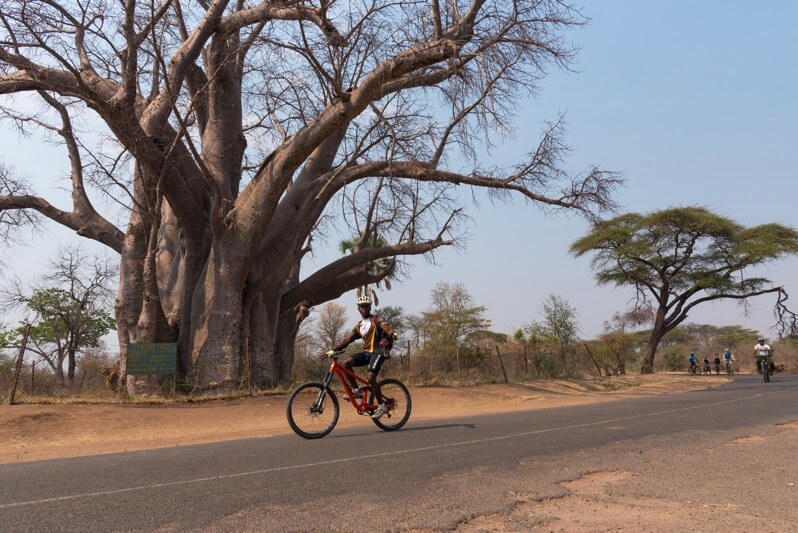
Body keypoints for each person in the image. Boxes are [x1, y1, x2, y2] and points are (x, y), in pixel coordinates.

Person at [328, 294, 396, 419]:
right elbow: (347, 339)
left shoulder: (376, 319)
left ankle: (382, 406)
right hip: (367, 353)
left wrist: (390, 335)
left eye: (366, 306)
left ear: (370, 307)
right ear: (358, 309)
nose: (364, 308)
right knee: (346, 364)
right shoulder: (359, 326)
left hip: (378, 352)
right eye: (361, 307)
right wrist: (333, 350)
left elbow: (388, 329)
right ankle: (356, 392)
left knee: (370, 377)